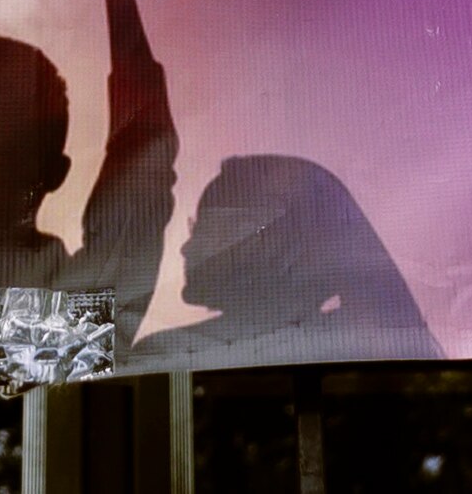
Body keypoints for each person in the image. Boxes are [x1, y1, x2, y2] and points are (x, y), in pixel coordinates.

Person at [131, 152, 435, 369]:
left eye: (210, 229)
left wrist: (105, 269)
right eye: (198, 229)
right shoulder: (373, 344)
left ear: (271, 242)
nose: (187, 248)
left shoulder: (170, 354)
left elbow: (86, 366)